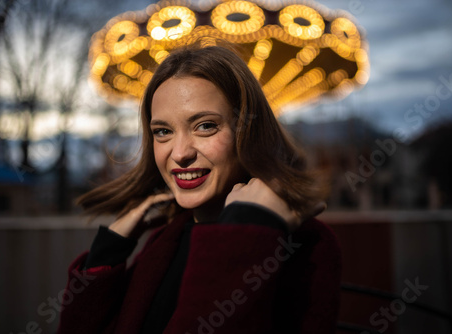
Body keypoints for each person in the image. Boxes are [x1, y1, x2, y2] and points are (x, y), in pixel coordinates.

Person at [57, 44, 341, 333]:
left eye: (205, 126)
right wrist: (106, 255)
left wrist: (247, 232)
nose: (180, 153)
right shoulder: (166, 237)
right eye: (163, 132)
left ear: (248, 131)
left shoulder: (306, 243)